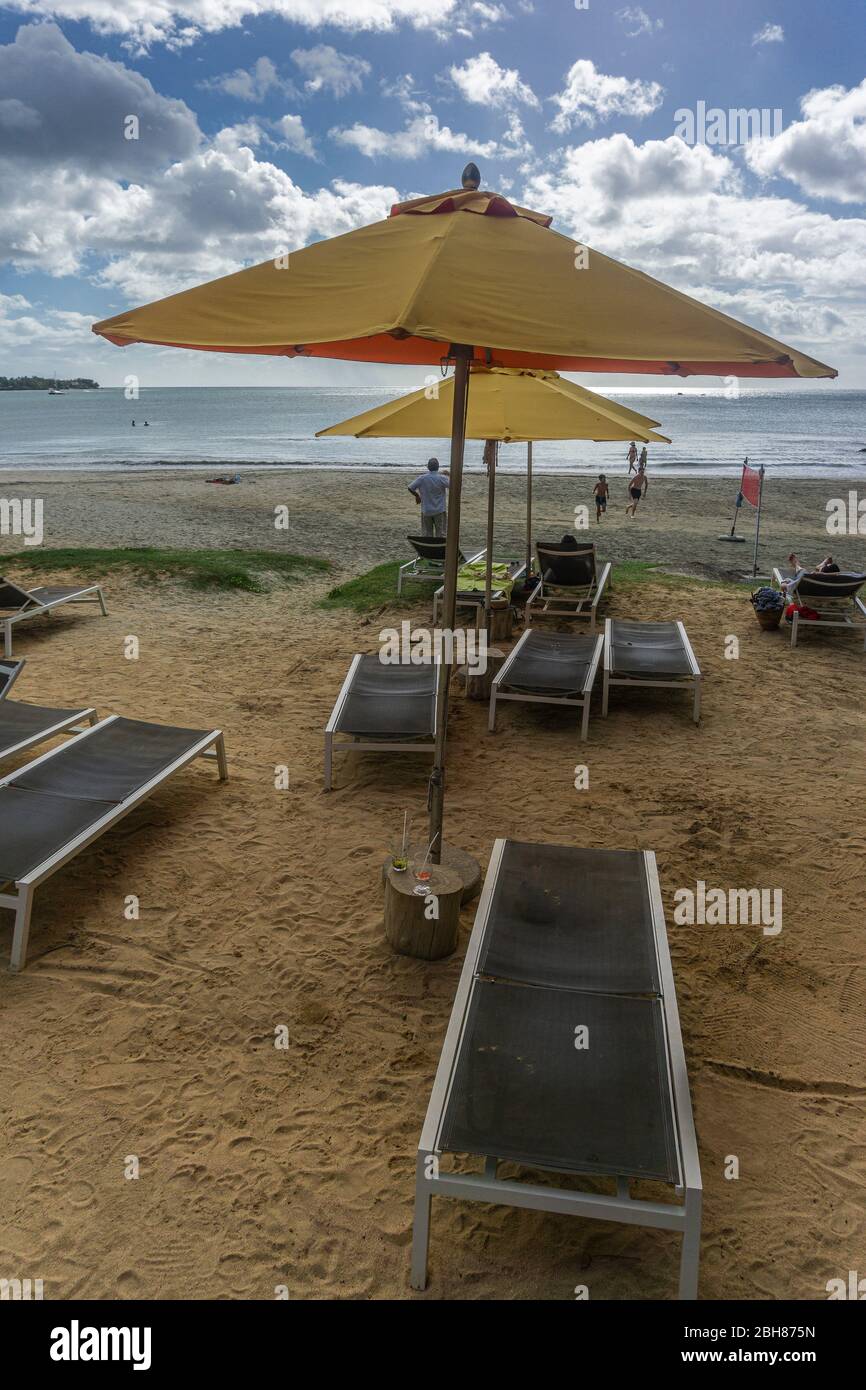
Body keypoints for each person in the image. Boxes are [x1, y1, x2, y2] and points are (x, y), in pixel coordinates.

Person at [408, 457, 450, 537]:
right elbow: (454, 486)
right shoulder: (442, 478)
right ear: (438, 467)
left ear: (428, 467)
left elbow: (410, 488)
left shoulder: (422, 478)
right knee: (440, 534)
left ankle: (428, 548)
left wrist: (417, 496)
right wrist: (449, 476)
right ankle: (439, 548)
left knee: (427, 534)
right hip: (439, 510)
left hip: (426, 510)